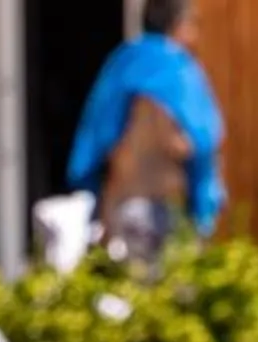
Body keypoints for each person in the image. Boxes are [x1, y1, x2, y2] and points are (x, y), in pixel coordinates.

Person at [66, 0, 225, 267]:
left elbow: (96, 137)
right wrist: (207, 195)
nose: (197, 36)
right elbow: (195, 141)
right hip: (162, 207)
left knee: (129, 298)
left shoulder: (123, 63)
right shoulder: (177, 69)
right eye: (195, 25)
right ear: (179, 26)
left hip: (120, 205)